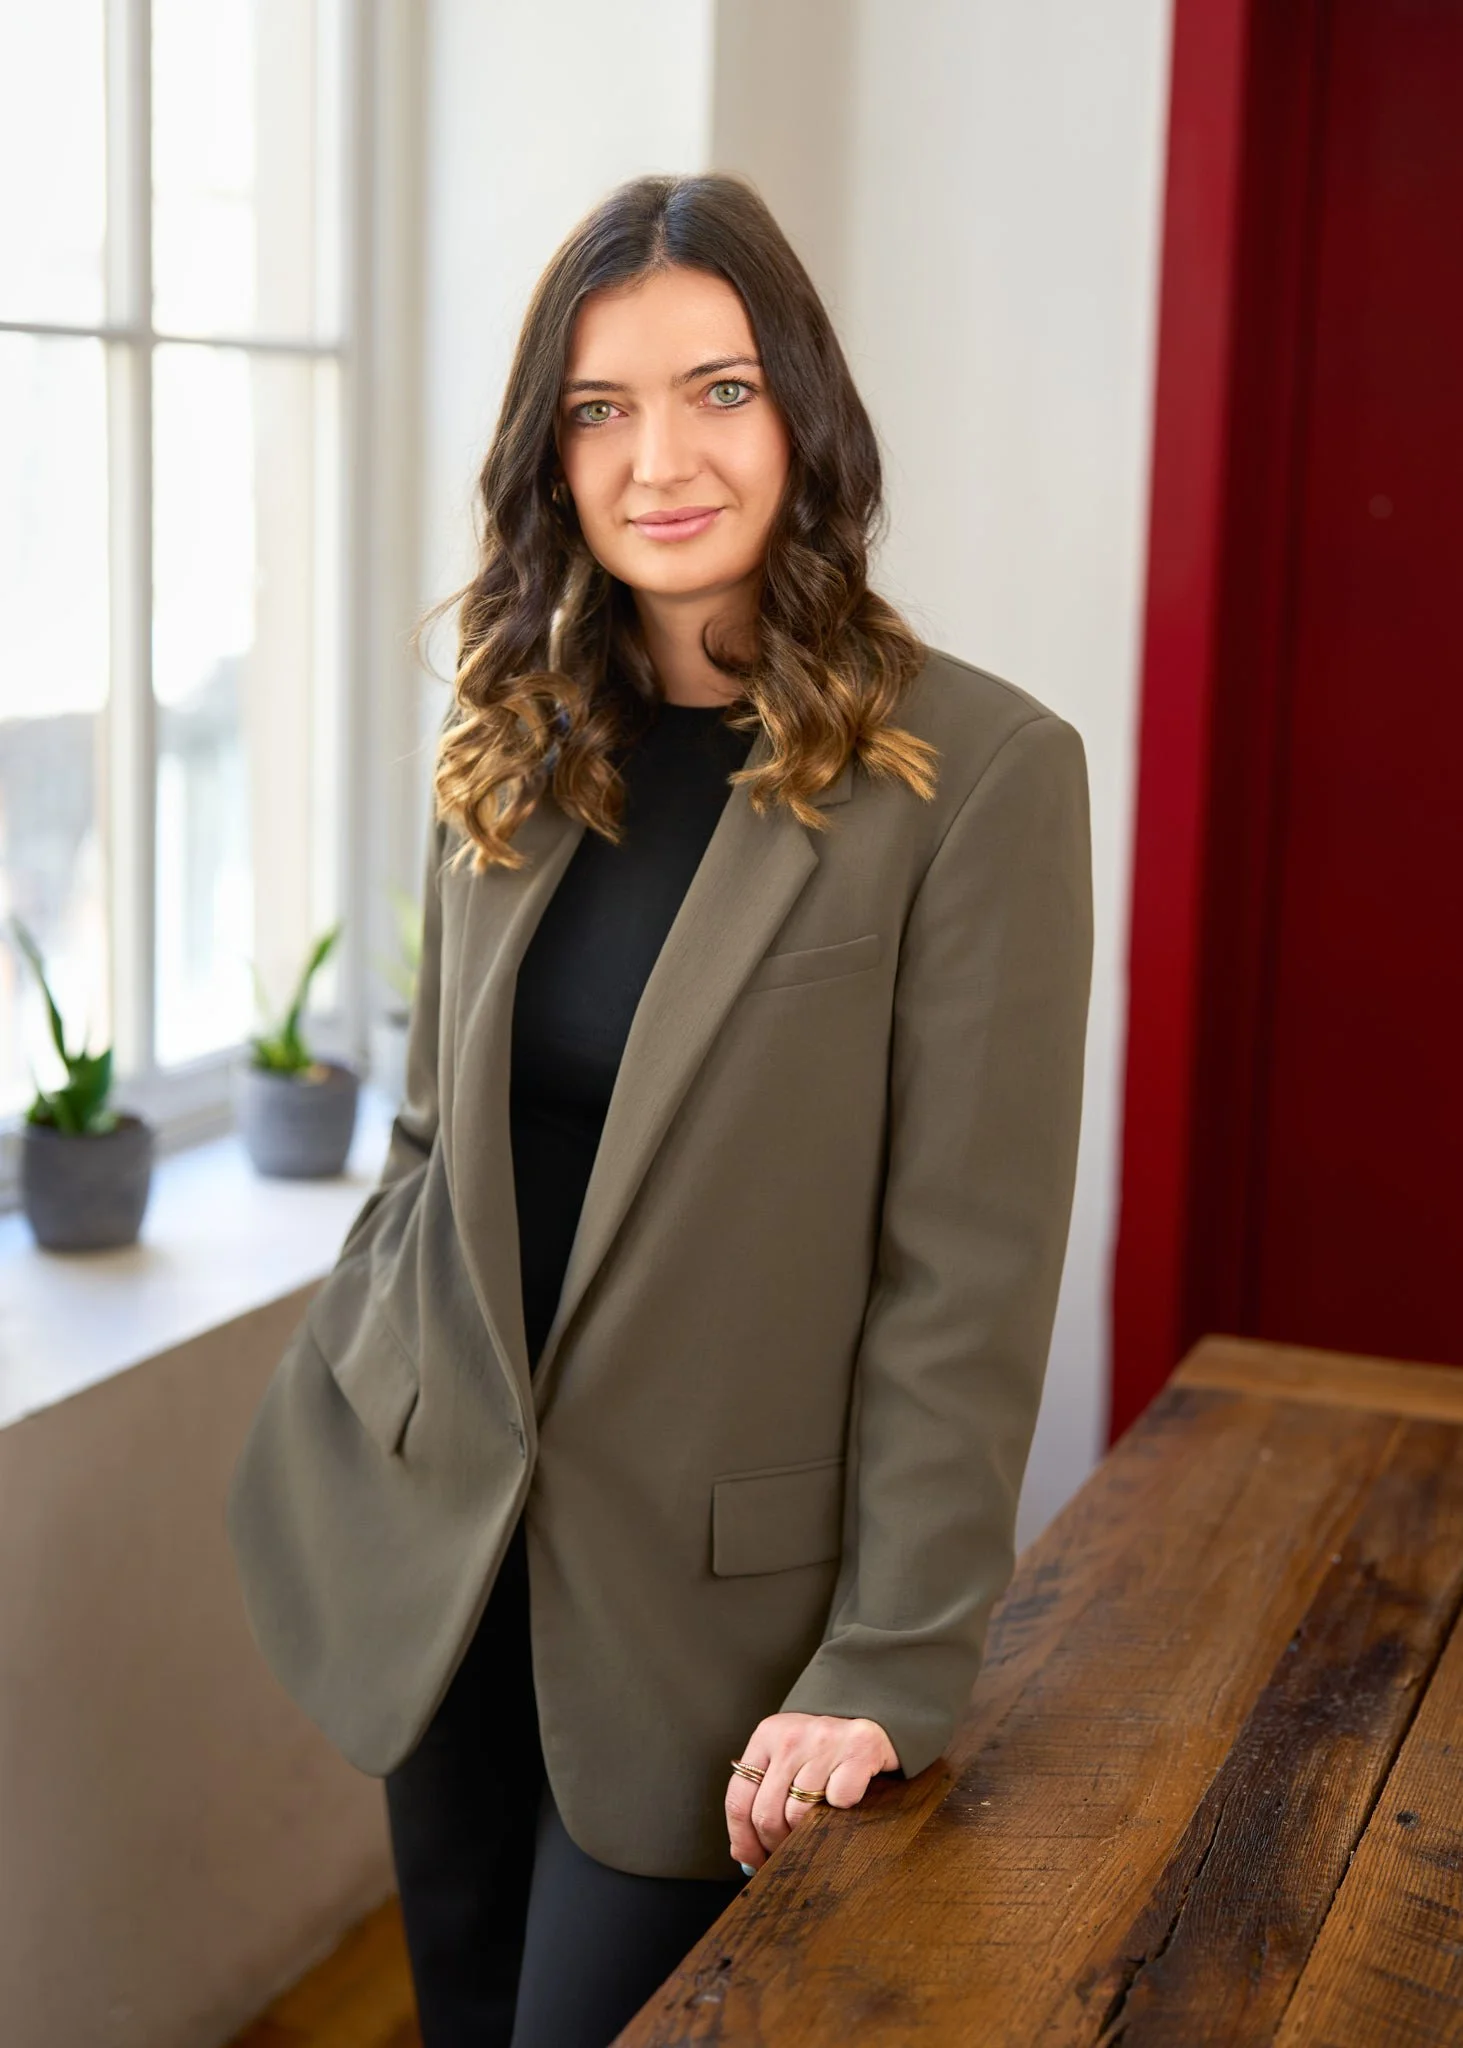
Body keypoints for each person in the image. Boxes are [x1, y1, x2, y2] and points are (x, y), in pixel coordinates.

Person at [225, 170, 1094, 2047]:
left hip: (719, 1638)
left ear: (802, 409)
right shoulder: (515, 726)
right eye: (599, 409)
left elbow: (965, 1282)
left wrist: (890, 1654)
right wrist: (377, 1391)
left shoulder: (984, 777)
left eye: (716, 390)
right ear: (552, 452)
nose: (657, 458)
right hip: (445, 1564)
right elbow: (440, 1137)